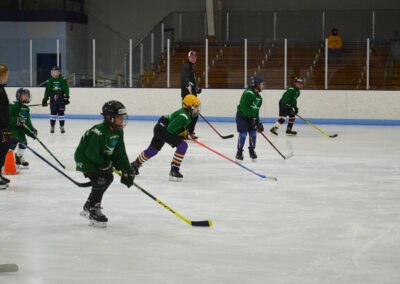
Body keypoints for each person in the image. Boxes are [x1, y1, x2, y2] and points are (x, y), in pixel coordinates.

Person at [75, 100, 134, 228]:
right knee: (100, 179)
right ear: (109, 117)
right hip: (86, 159)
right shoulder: (99, 131)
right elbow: (91, 152)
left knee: (109, 177)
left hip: (100, 158)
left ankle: (89, 203)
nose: (122, 120)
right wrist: (103, 163)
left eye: (123, 117)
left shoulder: (118, 131)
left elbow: (120, 153)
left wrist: (126, 170)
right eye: (119, 117)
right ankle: (93, 208)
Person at [131, 94, 200, 181]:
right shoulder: (184, 116)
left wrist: (183, 133)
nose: (198, 108)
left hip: (160, 127)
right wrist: (183, 134)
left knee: (153, 150)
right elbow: (171, 129)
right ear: (190, 107)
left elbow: (174, 127)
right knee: (183, 146)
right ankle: (174, 169)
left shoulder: (185, 114)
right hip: (163, 129)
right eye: (196, 106)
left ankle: (135, 165)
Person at [235, 76, 265, 161]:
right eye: (261, 84)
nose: (263, 86)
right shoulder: (248, 93)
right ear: (256, 84)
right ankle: (239, 152)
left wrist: (258, 121)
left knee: (253, 134)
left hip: (251, 118)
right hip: (242, 117)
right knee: (243, 135)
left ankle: (252, 151)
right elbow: (244, 107)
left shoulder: (259, 98)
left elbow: (256, 110)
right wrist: (250, 118)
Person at [8, 88, 37, 168]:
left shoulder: (26, 108)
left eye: (27, 95)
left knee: (24, 143)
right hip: (12, 130)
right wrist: (16, 120)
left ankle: (19, 157)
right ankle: (6, 160)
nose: (26, 97)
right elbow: (7, 118)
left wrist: (31, 131)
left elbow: (27, 122)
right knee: (12, 144)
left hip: (21, 131)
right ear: (18, 96)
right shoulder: (12, 105)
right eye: (24, 95)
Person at [42, 66, 70, 134]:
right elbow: (47, 90)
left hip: (61, 97)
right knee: (53, 112)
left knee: (61, 113)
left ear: (59, 72)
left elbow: (66, 88)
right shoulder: (50, 80)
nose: (54, 73)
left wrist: (66, 97)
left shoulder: (63, 79)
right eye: (53, 72)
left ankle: (62, 126)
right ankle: (52, 126)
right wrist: (45, 99)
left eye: (56, 72)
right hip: (53, 98)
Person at [181, 50, 201, 139]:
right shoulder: (186, 66)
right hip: (188, 96)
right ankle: (186, 132)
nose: (194, 58)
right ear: (188, 57)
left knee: (194, 114)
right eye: (192, 57)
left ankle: (190, 131)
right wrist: (190, 84)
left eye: (195, 57)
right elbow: (185, 78)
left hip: (192, 95)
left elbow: (192, 80)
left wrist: (196, 88)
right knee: (190, 114)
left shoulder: (191, 67)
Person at [0, 64, 14, 189]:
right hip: (1, 126)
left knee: (3, 150)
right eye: (7, 74)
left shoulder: (1, 88)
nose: (7, 76)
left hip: (3, 125)